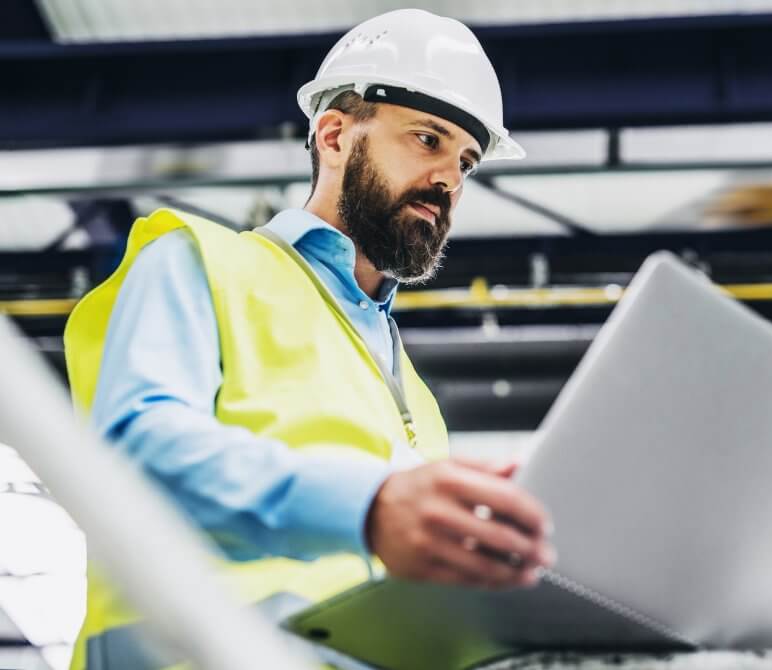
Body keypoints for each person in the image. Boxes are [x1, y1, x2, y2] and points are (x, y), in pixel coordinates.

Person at [63, 9, 555, 669]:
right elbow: (136, 456)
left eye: (466, 160)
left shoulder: (412, 396)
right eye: (427, 139)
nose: (449, 179)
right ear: (333, 135)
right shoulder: (199, 260)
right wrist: (367, 506)